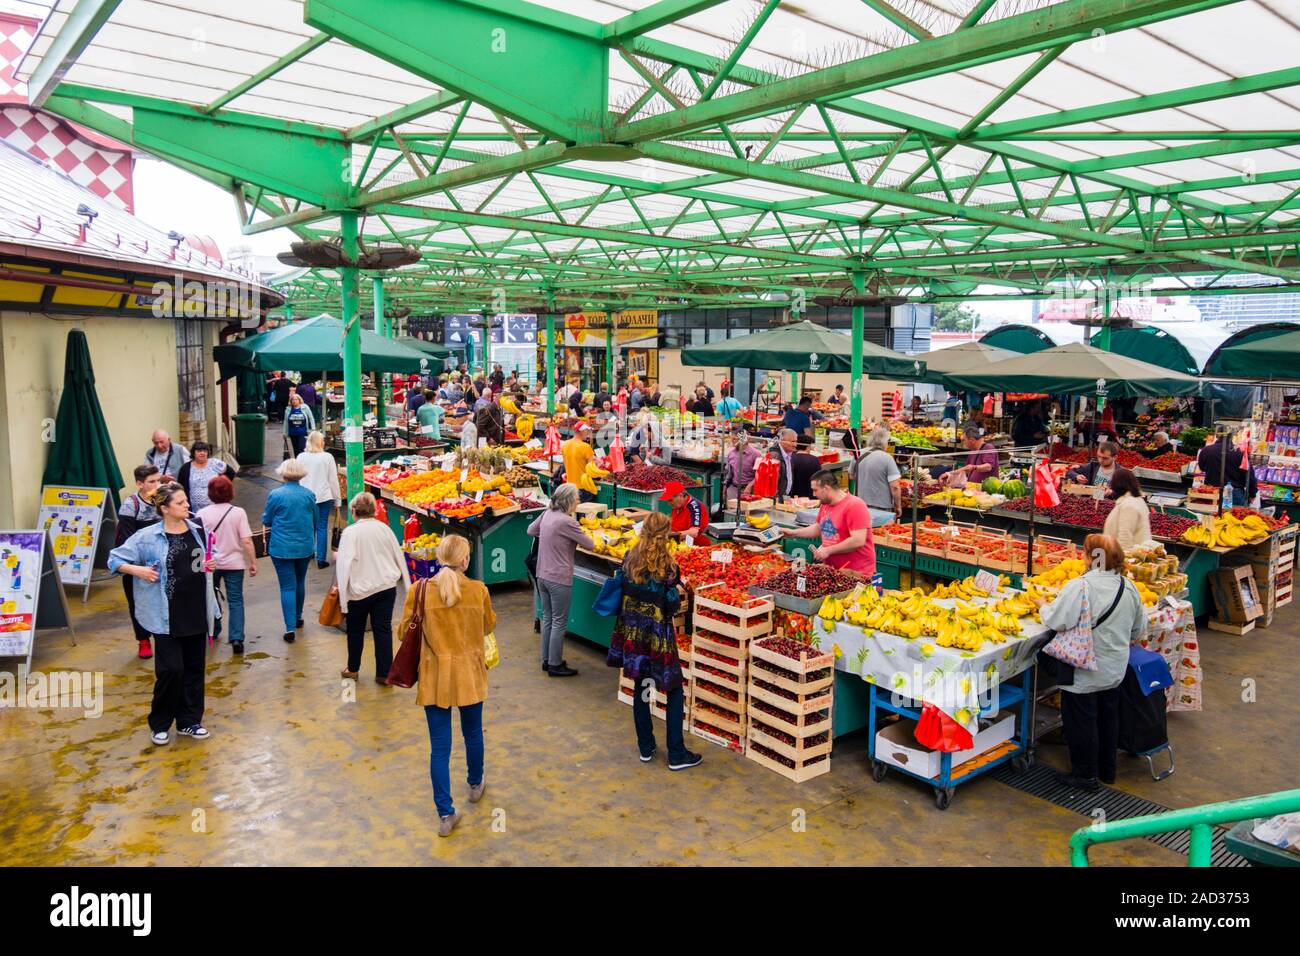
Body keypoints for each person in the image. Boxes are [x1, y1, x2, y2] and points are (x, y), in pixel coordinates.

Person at [398, 534, 494, 837]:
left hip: (434, 676)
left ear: (440, 558)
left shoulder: (419, 590)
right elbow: (488, 625)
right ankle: (475, 783)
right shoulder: (478, 590)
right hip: (469, 674)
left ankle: (445, 813)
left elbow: (403, 633)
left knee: (439, 748)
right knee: (473, 733)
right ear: (465, 560)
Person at [108, 483, 216, 746]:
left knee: (194, 668)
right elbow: (114, 559)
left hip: (196, 609)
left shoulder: (197, 529)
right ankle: (160, 722)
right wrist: (139, 571)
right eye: (180, 503)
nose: (187, 506)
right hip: (164, 613)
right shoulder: (147, 537)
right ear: (165, 508)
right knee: (171, 670)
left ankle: (190, 721)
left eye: (186, 501)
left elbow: (195, 562)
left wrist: (207, 564)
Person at [1039, 533, 1146, 791]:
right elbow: (1138, 630)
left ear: (1089, 557)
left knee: (1081, 721)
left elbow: (1056, 620)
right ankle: (1107, 770)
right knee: (1108, 718)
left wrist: (1043, 605)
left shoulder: (1080, 587)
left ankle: (1085, 776)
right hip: (1114, 670)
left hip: (1084, 670)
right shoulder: (1128, 587)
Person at [606, 512, 700, 771]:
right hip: (658, 636)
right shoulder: (668, 567)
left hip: (633, 634)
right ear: (666, 533)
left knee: (642, 685)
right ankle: (676, 753)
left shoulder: (629, 558)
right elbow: (671, 605)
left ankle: (646, 746)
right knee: (674, 689)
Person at [335, 491, 410, 683]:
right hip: (386, 587)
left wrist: (343, 601)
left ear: (354, 511)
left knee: (355, 630)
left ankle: (353, 669)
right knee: (383, 629)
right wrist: (408, 588)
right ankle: (384, 673)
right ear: (374, 511)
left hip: (359, 592)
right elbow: (399, 557)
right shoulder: (384, 529)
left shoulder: (350, 533)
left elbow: (343, 567)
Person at [527, 484, 593, 677]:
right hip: (559, 578)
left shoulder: (547, 514)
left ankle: (546, 660)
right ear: (569, 501)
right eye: (577, 498)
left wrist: (551, 536)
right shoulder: (567, 522)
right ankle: (555, 664)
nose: (579, 502)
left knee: (547, 618)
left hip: (542, 575)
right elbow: (589, 544)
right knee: (559, 622)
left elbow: (531, 530)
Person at [195, 475, 256, 655]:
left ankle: (215, 629)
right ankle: (237, 638)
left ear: (210, 493)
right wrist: (252, 562)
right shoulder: (238, 513)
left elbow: (198, 541)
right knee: (236, 600)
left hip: (210, 564)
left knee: (211, 598)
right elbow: (246, 540)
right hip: (234, 563)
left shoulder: (202, 514)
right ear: (230, 492)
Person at [262, 458, 318, 643]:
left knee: (287, 586)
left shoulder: (276, 495)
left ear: (283, 474)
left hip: (281, 547)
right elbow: (316, 520)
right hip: (304, 545)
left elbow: (267, 520)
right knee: (300, 581)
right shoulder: (309, 495)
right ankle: (298, 616)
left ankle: (289, 628)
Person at [785, 469, 876, 577]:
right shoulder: (826, 504)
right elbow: (819, 527)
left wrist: (828, 550)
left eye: (815, 490)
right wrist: (793, 533)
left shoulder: (855, 505)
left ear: (826, 488)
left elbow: (858, 541)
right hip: (833, 570)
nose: (814, 494)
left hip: (856, 573)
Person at [117, 464, 163, 659]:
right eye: (152, 482)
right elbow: (126, 540)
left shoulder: (161, 499)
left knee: (162, 599)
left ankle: (162, 636)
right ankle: (143, 640)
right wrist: (139, 566)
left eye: (158, 480)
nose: (157, 485)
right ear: (139, 483)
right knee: (136, 603)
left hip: (160, 559)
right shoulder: (130, 505)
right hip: (137, 563)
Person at [294, 431, 341, 569]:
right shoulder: (327, 457)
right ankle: (321, 558)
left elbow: (296, 477)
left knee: (308, 526)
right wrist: (337, 500)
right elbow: (333, 480)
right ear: (320, 443)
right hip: (323, 497)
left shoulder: (301, 457)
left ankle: (309, 554)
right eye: (323, 441)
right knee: (321, 527)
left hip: (305, 497)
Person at [856, 425, 902, 527]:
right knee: (879, 534)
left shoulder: (858, 454)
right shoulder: (887, 458)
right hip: (881, 507)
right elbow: (895, 487)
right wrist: (898, 506)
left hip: (859, 504)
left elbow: (851, 476)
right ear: (884, 442)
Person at [1197, 433, 1258, 506]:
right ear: (1232, 437)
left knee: (1210, 516)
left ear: (1217, 436)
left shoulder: (1206, 450)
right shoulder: (1240, 453)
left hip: (1211, 492)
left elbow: (1202, 468)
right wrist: (1252, 493)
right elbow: (1249, 476)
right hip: (1234, 493)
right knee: (1233, 516)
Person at [1103, 468, 1153, 550]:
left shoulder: (1129, 505)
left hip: (1128, 557)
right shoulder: (1136, 500)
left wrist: (1120, 560)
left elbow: (1125, 539)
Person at [176, 441, 228, 513]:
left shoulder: (214, 463)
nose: (202, 453)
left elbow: (230, 473)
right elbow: (180, 487)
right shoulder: (185, 468)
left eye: (204, 451)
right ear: (193, 453)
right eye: (199, 451)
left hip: (215, 508)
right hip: (194, 510)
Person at [723, 431, 761, 505]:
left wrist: (750, 486)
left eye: (736, 438)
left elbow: (759, 474)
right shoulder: (731, 453)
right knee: (730, 512)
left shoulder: (755, 454)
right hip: (733, 489)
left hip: (748, 490)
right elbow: (729, 473)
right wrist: (725, 488)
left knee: (745, 513)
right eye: (732, 438)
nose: (733, 441)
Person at [562, 423, 598, 502]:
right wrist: (598, 462)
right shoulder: (585, 447)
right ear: (582, 431)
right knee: (584, 512)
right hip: (584, 487)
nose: (587, 433)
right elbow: (591, 469)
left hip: (570, 486)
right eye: (586, 431)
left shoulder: (565, 444)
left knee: (574, 510)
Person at [283, 392, 316, 458]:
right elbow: (286, 421)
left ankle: (301, 462)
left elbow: (311, 418)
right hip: (292, 433)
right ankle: (298, 462)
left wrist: (313, 429)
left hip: (303, 432)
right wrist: (285, 433)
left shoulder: (305, 407)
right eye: (292, 400)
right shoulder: (288, 409)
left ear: (299, 400)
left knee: (301, 448)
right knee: (295, 449)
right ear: (291, 401)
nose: (294, 401)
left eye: (296, 399)